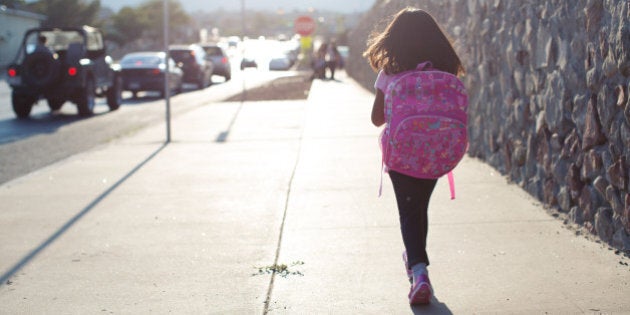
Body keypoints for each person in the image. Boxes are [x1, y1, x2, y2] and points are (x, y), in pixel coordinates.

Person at [363, 7, 465, 305]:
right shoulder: (446, 70)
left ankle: (419, 273)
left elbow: (376, 119)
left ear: (396, 39)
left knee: (409, 212)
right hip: (438, 153)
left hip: (402, 155)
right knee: (418, 209)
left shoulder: (390, 73)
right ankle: (416, 262)